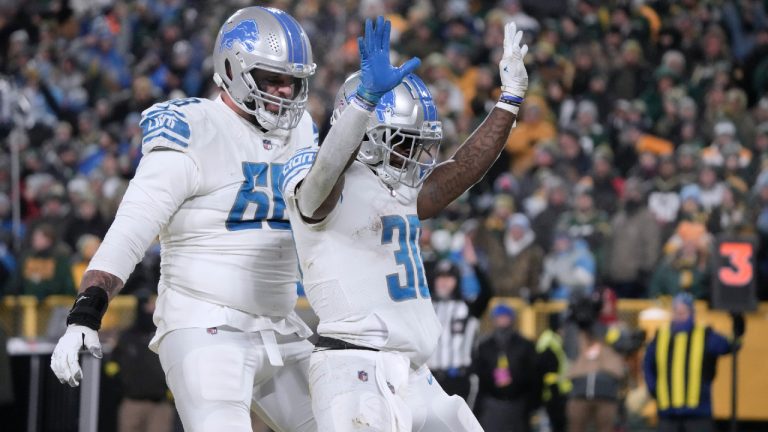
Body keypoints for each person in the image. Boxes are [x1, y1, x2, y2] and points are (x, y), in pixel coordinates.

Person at [50, 7, 318, 432]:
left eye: (294, 80)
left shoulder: (303, 129)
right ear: (232, 69)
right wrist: (86, 311)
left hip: (279, 328)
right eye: (273, 79)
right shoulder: (195, 128)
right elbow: (133, 226)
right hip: (204, 324)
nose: (286, 92)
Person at [280, 16, 528, 432]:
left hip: (413, 372)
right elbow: (317, 193)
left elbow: (461, 169)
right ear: (367, 135)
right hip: (355, 367)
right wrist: (364, 103)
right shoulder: (320, 176)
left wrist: (509, 101)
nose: (413, 157)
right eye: (402, 143)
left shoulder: (397, 189)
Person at [643, 293, 744, 432]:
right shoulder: (661, 337)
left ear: (692, 313)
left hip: (699, 414)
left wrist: (738, 324)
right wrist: (653, 388)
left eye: (683, 312)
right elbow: (648, 364)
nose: (679, 317)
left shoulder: (705, 336)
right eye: (676, 312)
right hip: (667, 413)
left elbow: (731, 344)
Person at [111, 291, 173, 432]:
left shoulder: (163, 335)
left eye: (153, 304)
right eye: (148, 304)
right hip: (132, 402)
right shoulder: (127, 337)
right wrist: (120, 385)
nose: (150, 309)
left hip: (160, 404)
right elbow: (112, 365)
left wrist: (171, 392)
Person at [474, 304, 540, 432]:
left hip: (518, 403)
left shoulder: (525, 345)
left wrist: (532, 403)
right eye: (499, 317)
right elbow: (479, 375)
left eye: (505, 317)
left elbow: (534, 375)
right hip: (492, 403)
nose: (502, 320)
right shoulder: (485, 346)